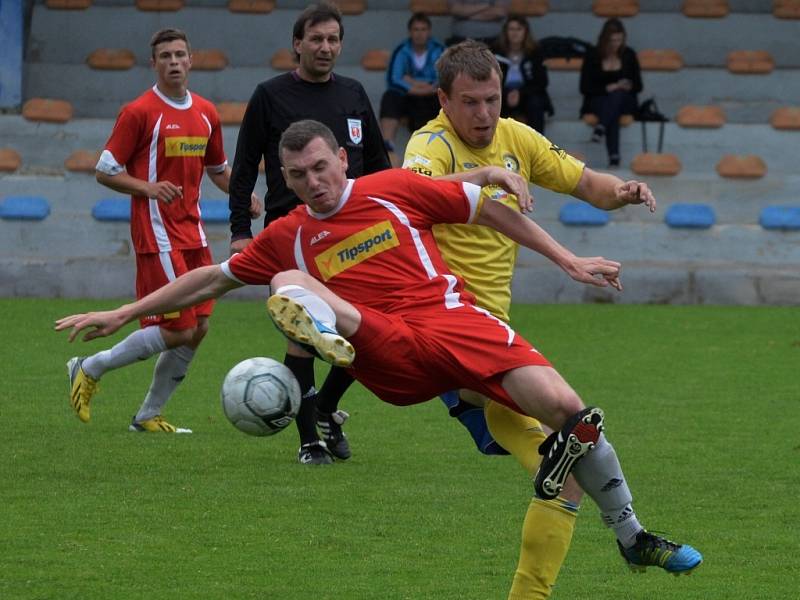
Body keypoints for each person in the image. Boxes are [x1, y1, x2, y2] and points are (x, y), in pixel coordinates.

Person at [56, 120, 702, 595]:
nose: (314, 182)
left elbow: (489, 208)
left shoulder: (392, 189)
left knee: (574, 418)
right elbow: (211, 278)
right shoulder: (291, 234)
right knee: (284, 280)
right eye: (300, 175)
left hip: (459, 323)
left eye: (321, 168)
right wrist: (122, 313)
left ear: (342, 159)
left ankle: (632, 537)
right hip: (383, 346)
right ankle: (319, 329)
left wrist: (569, 259)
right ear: (286, 179)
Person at [402, 40, 659, 597]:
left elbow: (589, 185)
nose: (483, 114)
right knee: (570, 412)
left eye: (491, 99)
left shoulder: (518, 136)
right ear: (442, 100)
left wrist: (625, 190)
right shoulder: (430, 143)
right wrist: (486, 173)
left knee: (563, 474)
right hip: (443, 324)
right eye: (469, 102)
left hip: (492, 332)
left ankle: (624, 537)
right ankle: (631, 531)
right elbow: (411, 192)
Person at [66, 28, 259, 433]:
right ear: (153, 63)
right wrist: (148, 188)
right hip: (158, 234)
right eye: (165, 56)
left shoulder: (206, 112)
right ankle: (88, 367)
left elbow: (218, 170)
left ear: (192, 60)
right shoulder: (139, 111)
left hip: (194, 234)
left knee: (198, 328)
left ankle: (148, 416)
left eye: (180, 55)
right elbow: (105, 169)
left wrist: (244, 197)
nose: (173, 62)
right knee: (178, 330)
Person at [227, 1, 391, 465]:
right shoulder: (269, 94)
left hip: (355, 235)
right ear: (296, 44)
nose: (325, 47)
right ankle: (309, 441)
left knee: (364, 335)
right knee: (300, 335)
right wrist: (241, 229)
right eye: (316, 39)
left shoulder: (355, 93)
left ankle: (325, 404)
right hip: (290, 233)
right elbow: (243, 170)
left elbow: (378, 167)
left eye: (333, 39)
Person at [378, 12, 444, 156]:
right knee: (390, 96)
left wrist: (411, 81)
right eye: (416, 29)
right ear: (410, 32)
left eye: (423, 29)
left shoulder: (439, 49)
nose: (420, 34)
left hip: (431, 96)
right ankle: (387, 144)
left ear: (429, 31)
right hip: (409, 96)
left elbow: (443, 77)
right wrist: (419, 88)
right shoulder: (401, 50)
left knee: (445, 98)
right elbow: (394, 80)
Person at [579, 18, 643, 167]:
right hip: (598, 100)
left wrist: (627, 85)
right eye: (612, 40)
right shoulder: (593, 55)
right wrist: (608, 88)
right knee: (611, 110)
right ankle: (614, 157)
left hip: (624, 100)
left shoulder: (629, 55)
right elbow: (584, 87)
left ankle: (601, 128)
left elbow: (638, 86)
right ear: (604, 40)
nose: (615, 44)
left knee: (617, 97)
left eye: (619, 40)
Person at [493, 14, 553, 134]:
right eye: (511, 29)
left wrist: (520, 93)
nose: (515, 33)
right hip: (502, 93)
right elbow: (490, 80)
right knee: (493, 102)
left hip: (527, 93)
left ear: (526, 32)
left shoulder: (535, 52)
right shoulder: (496, 51)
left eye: (519, 29)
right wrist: (506, 93)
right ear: (506, 32)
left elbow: (542, 82)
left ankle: (537, 146)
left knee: (535, 103)